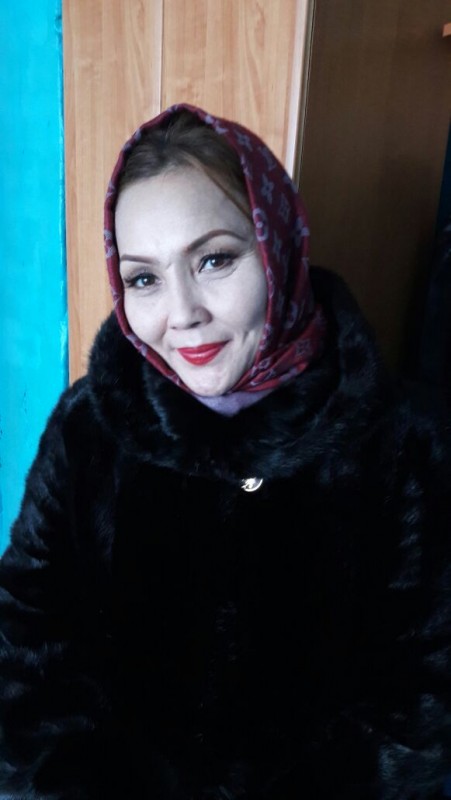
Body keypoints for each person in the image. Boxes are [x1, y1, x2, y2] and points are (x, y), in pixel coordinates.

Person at [1, 102, 451, 800]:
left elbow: (425, 696)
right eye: (144, 278)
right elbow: (23, 641)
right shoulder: (89, 427)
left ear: (278, 248)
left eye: (214, 260)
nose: (182, 314)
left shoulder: (404, 443)